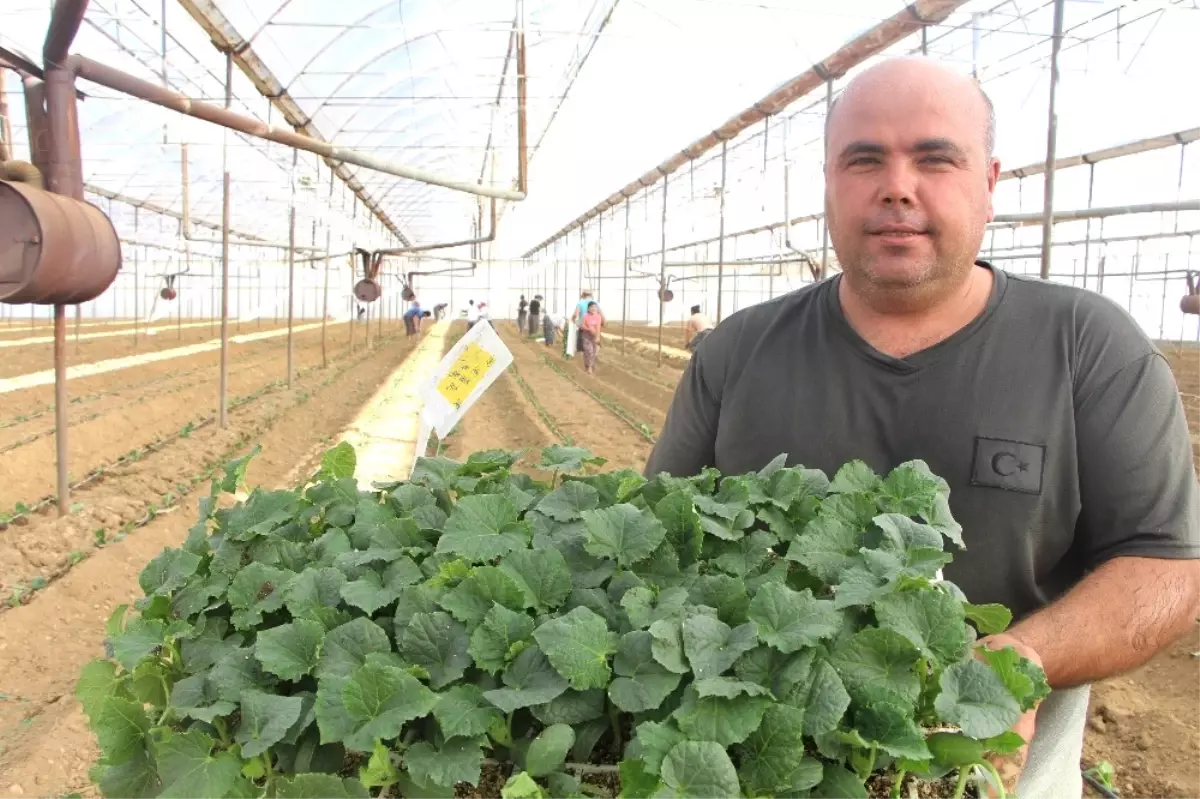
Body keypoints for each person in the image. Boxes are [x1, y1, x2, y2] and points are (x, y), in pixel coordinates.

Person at [643, 56, 1200, 799]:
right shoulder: (736, 351)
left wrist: (1024, 658)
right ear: (831, 182)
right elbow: (656, 545)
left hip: (1002, 767)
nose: (897, 185)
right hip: (762, 761)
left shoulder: (1087, 346)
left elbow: (1168, 565)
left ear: (990, 183)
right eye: (864, 159)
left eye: (935, 158)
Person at [579, 301, 605, 374]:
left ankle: (589, 365)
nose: (593, 308)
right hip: (586, 336)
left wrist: (597, 337)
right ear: (588, 309)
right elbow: (582, 326)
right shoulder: (586, 316)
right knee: (588, 351)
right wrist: (589, 329)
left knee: (593, 352)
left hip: (594, 336)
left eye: (595, 307)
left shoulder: (598, 317)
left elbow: (598, 327)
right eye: (592, 307)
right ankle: (589, 367)